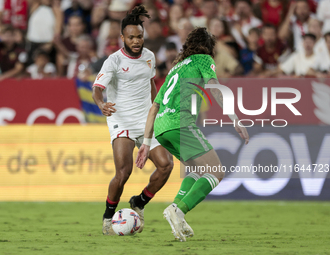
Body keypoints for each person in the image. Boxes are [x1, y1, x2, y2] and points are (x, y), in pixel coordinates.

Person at [135, 27, 249, 242]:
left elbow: (154, 108)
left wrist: (147, 143)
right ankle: (178, 210)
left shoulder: (175, 68)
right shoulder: (203, 59)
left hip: (161, 128)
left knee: (197, 170)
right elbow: (214, 88)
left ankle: (178, 214)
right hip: (180, 123)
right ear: (208, 47)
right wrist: (235, 119)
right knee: (216, 172)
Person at [91, 5, 173, 236]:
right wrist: (101, 104)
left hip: (145, 118)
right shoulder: (113, 61)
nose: (136, 41)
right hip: (122, 119)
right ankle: (109, 217)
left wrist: (157, 105)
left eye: (139, 36)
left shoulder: (150, 56)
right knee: (124, 172)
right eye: (131, 37)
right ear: (122, 38)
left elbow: (150, 82)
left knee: (166, 165)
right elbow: (97, 89)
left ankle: (139, 201)